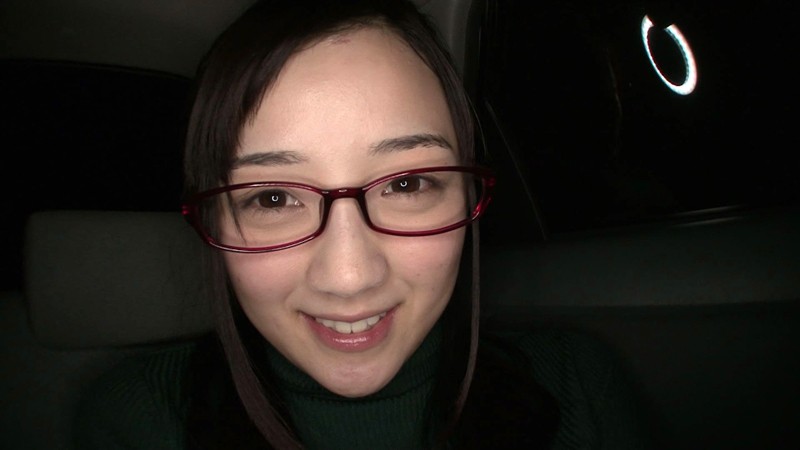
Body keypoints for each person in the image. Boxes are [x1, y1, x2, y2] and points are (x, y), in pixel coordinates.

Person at [75, 1, 648, 448]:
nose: (349, 277)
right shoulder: (137, 420)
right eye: (273, 198)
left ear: (469, 195)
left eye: (407, 185)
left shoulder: (576, 391)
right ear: (214, 222)